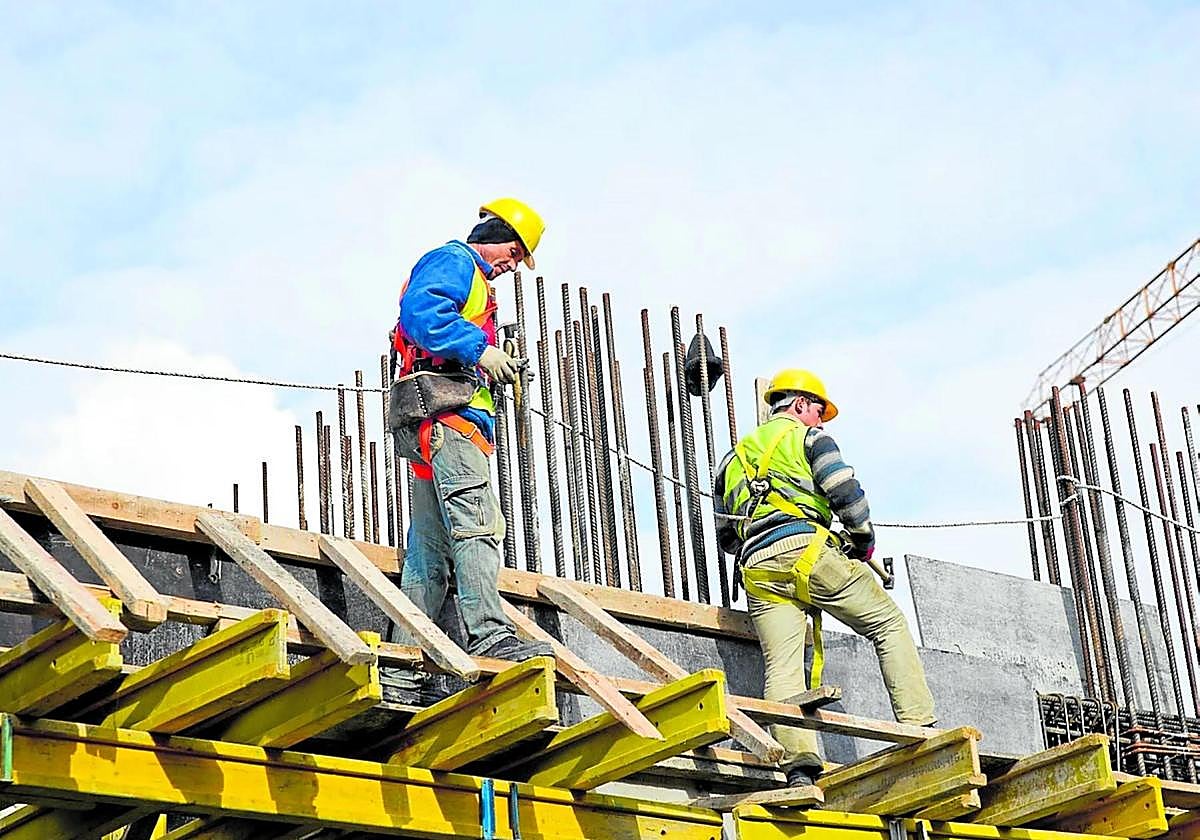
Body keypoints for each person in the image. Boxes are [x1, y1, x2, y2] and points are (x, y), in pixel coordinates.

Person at [713, 368, 936, 786]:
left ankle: (799, 768)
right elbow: (846, 493)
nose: (820, 419)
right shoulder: (810, 439)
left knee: (782, 666)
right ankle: (921, 727)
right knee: (887, 623)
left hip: (758, 570)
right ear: (799, 405)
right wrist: (862, 543)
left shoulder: (731, 460)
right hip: (809, 552)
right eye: (818, 410)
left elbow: (726, 535)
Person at [380, 198, 553, 705]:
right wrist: (481, 350)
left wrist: (487, 358)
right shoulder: (455, 261)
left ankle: (402, 668)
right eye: (515, 252)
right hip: (450, 421)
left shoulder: (475, 281)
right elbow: (422, 314)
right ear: (495, 234)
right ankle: (490, 633)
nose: (513, 265)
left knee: (429, 553)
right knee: (479, 526)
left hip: (435, 422)